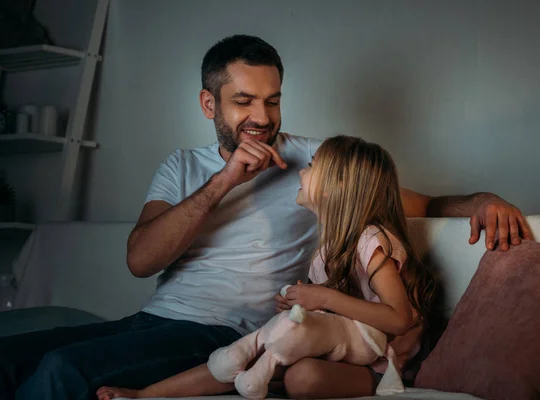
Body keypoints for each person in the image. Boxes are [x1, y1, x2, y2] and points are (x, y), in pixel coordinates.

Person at [0, 34, 533, 400]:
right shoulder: (183, 167)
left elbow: (412, 204)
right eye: (244, 102)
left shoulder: (319, 163)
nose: (262, 117)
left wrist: (482, 201)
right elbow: (141, 260)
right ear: (210, 105)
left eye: (273, 101)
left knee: (61, 371)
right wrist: (225, 180)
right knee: (12, 356)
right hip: (153, 322)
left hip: (223, 332)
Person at [96, 135, 436, 400]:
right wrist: (300, 305)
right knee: (253, 351)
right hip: (342, 352)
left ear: (339, 186)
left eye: (312, 166)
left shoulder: (370, 241)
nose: (302, 172)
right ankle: (146, 394)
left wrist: (323, 299)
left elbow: (398, 318)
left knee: (299, 377)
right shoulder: (324, 251)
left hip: (380, 364)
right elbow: (336, 316)